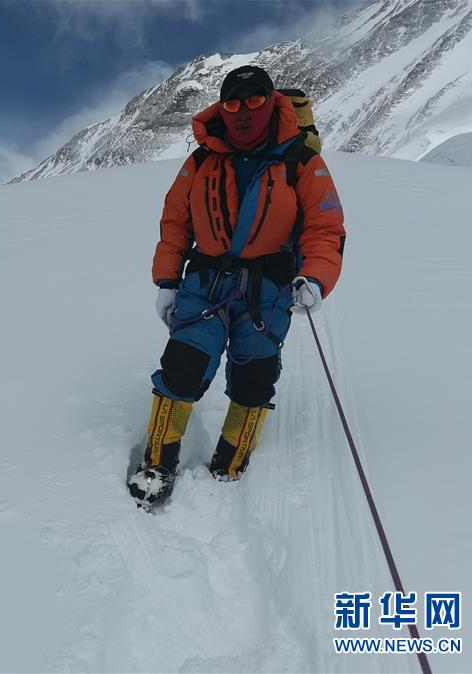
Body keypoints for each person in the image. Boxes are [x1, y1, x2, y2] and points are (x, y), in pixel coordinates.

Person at [127, 65, 346, 509]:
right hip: (205, 281)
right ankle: (158, 461)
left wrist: (317, 278)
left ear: (271, 102)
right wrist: (167, 280)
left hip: (269, 288)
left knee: (254, 377)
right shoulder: (202, 159)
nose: (243, 111)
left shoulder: (301, 159)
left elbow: (324, 226)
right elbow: (176, 221)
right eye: (232, 102)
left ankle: (232, 459)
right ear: (221, 108)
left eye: (254, 100)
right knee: (183, 366)